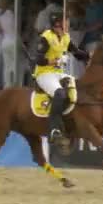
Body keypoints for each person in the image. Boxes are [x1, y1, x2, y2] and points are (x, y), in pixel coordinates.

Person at [34, 13, 89, 144]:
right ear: (57, 24)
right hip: (44, 73)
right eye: (66, 22)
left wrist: (91, 55)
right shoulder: (46, 37)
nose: (68, 25)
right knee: (60, 93)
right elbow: (39, 59)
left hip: (59, 73)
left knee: (77, 88)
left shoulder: (66, 37)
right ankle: (53, 128)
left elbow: (77, 53)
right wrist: (56, 61)